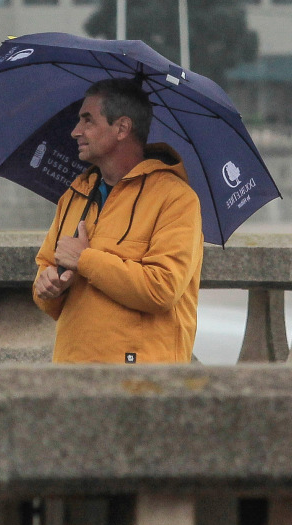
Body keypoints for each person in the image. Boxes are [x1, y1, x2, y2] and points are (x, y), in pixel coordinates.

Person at [32, 77, 204, 364]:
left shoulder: (176, 198)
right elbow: (44, 277)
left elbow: (162, 289)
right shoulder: (75, 194)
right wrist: (48, 287)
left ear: (122, 128)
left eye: (88, 120)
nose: (76, 131)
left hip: (139, 376)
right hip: (71, 371)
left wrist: (85, 260)